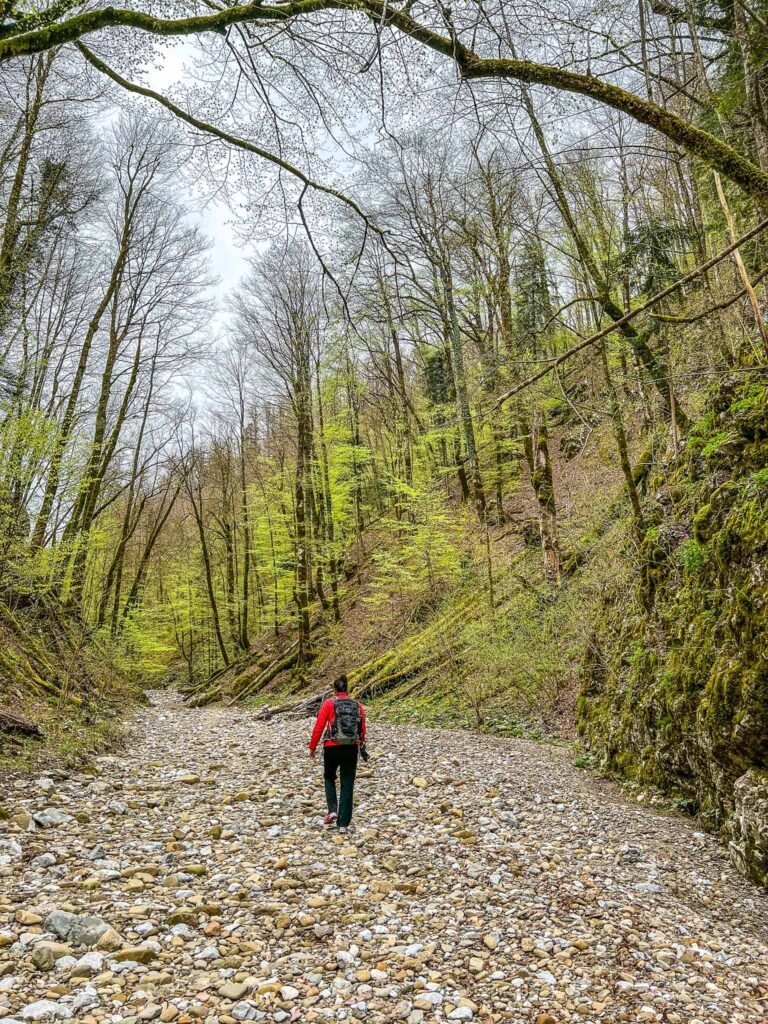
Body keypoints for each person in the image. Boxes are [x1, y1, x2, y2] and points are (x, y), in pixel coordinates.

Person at [308, 674, 366, 832]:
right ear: (347, 689)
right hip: (351, 747)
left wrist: (312, 747)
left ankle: (332, 810)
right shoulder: (357, 705)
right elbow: (362, 728)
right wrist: (361, 743)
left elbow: (319, 726)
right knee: (347, 783)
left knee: (329, 777)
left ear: (334, 690)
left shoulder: (329, 703)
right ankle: (343, 824)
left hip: (331, 747)